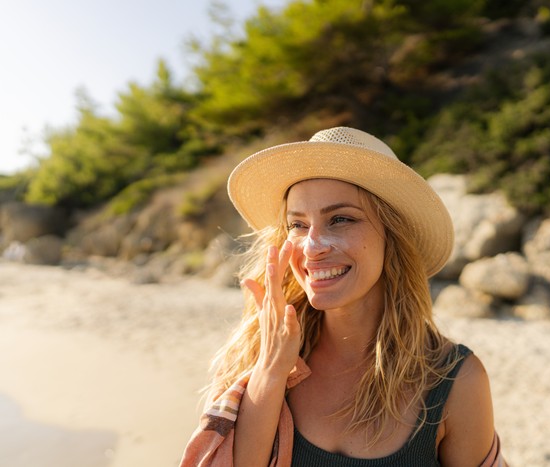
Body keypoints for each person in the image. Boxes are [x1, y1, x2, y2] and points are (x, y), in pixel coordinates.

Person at [180, 127, 506, 466]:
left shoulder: (455, 379)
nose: (312, 247)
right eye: (298, 225)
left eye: (341, 219)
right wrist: (271, 370)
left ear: (392, 236)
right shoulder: (252, 355)